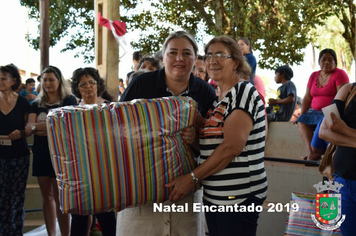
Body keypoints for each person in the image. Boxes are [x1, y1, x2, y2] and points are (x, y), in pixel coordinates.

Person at [117, 30, 216, 236]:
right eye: (173, 53)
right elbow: (116, 127)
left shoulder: (206, 92)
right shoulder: (140, 84)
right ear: (163, 57)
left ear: (195, 58)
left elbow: (214, 144)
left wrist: (196, 139)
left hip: (186, 191)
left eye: (187, 53)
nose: (179, 58)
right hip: (140, 190)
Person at [166, 35, 267, 236]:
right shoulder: (219, 98)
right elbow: (210, 143)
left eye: (220, 54)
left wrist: (192, 178)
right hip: (216, 196)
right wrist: (193, 136)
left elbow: (231, 148)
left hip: (238, 196)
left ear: (236, 61)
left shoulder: (242, 92)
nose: (212, 60)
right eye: (209, 55)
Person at [25, 66, 77, 236]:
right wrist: (48, 125)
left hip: (62, 154)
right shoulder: (35, 104)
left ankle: (65, 234)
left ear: (59, 81)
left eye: (51, 79)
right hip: (41, 152)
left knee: (60, 198)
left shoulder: (69, 100)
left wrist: (37, 127)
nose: (47, 83)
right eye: (44, 80)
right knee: (46, 197)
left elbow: (65, 126)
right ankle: (51, 234)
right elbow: (28, 129)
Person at [70, 67, 117, 236]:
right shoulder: (71, 113)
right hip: (80, 171)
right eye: (83, 84)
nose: (88, 87)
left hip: (105, 170)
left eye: (92, 82)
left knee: (107, 217)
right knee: (79, 218)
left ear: (98, 85)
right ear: (77, 88)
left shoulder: (110, 109)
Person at [295, 49, 349, 161]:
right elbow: (307, 98)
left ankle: (329, 155)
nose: (326, 62)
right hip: (314, 112)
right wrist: (302, 114)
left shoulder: (340, 74)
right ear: (319, 62)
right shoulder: (313, 75)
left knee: (325, 121)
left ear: (335, 63)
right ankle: (312, 154)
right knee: (301, 120)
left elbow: (342, 98)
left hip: (332, 112)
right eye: (323, 59)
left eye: (330, 60)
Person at [319, 82, 356, 235]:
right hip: (343, 182)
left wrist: (345, 130)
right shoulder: (349, 90)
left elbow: (336, 129)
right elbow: (324, 131)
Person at [0, 64, 31, 235]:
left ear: (13, 81)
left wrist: (21, 133)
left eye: (3, 78)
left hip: (20, 156)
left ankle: (16, 232)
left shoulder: (23, 102)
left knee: (17, 199)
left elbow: (28, 128)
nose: (0, 81)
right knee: (1, 200)